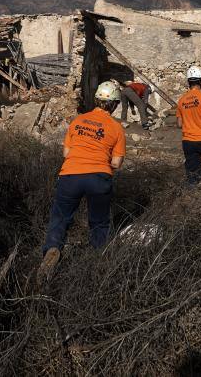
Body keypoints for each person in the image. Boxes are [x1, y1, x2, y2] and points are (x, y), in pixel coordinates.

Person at [39, 81, 126, 276]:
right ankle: (97, 262)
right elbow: (117, 163)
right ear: (114, 104)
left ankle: (53, 249)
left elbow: (66, 152)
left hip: (70, 175)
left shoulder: (78, 121)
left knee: (60, 218)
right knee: (99, 223)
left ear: (96, 100)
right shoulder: (116, 128)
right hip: (99, 177)